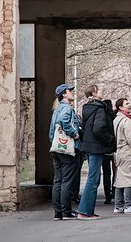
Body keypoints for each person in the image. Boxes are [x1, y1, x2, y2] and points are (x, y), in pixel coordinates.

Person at [77, 85, 116, 220]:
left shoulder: (88, 108)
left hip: (89, 146)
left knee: (94, 179)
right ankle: (84, 211)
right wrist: (110, 139)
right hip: (96, 147)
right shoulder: (99, 109)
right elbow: (98, 128)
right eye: (100, 90)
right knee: (93, 180)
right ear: (94, 92)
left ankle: (88, 210)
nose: (102, 92)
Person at [49, 83, 81, 221]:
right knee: (67, 180)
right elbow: (64, 121)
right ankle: (66, 211)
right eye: (69, 91)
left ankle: (58, 212)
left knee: (58, 180)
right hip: (67, 149)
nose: (71, 92)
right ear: (63, 94)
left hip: (56, 148)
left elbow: (52, 132)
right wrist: (74, 134)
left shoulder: (57, 109)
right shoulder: (67, 108)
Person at [101, 99, 115, 204]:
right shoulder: (114, 116)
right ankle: (115, 191)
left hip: (104, 148)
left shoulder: (102, 117)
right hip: (114, 147)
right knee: (116, 172)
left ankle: (107, 196)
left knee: (106, 173)